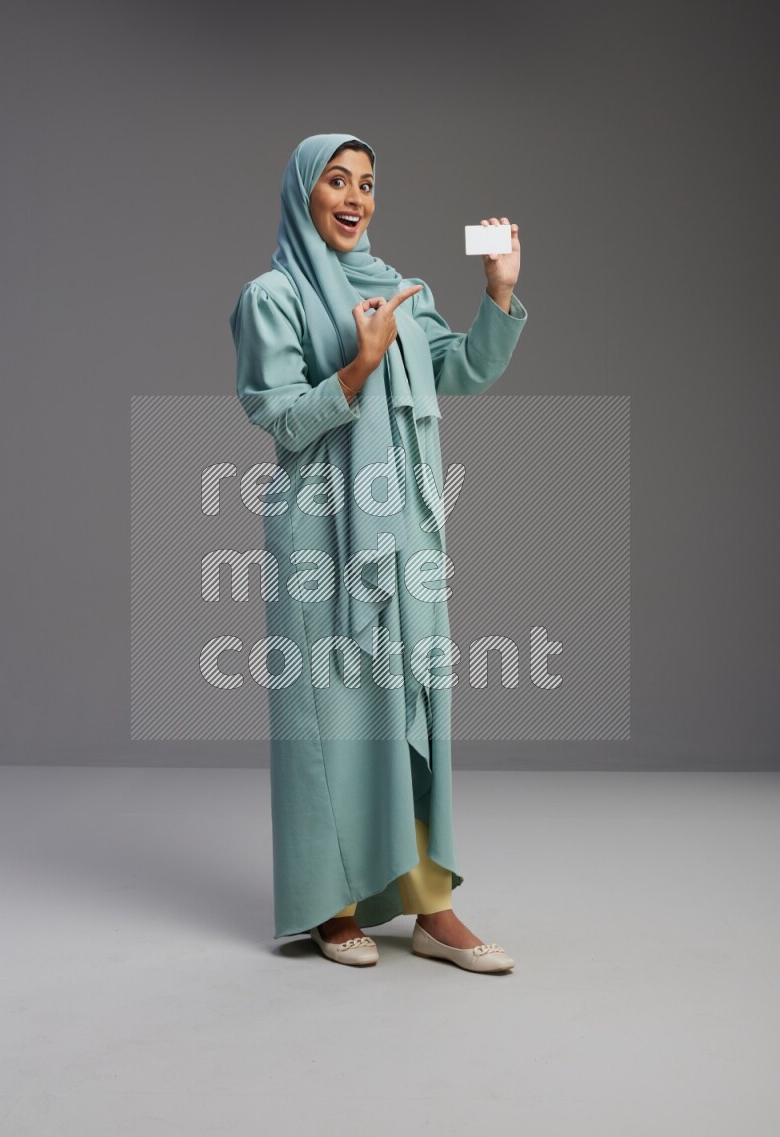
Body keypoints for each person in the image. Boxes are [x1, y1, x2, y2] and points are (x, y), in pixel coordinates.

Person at [229, 133, 527, 973]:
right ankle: (333, 906)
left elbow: (460, 371)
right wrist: (357, 369)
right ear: (304, 193)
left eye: (366, 183)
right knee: (333, 720)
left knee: (413, 708)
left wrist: (498, 294)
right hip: (321, 535)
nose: (355, 197)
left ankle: (432, 907)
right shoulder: (272, 297)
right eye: (337, 180)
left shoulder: (400, 289)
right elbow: (279, 417)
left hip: (406, 532)